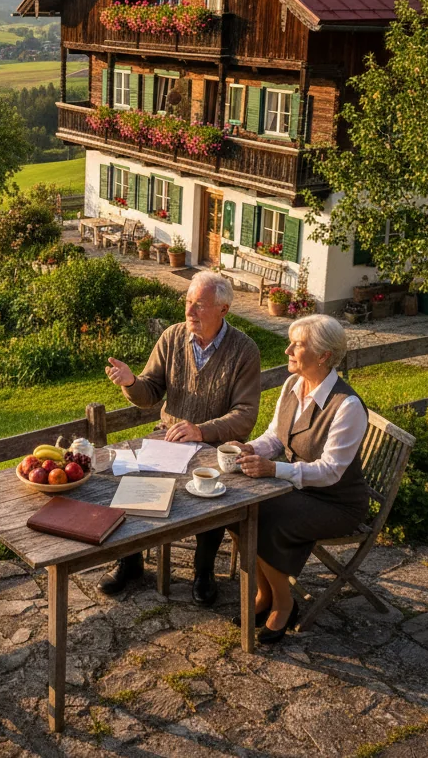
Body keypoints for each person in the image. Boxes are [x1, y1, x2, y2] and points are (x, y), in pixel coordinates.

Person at [102, 270, 261, 602]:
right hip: (168, 439)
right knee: (129, 478)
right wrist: (131, 383)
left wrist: (201, 431)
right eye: (188, 302)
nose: (189, 312)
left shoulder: (244, 350)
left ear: (224, 310)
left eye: (199, 305)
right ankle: (130, 562)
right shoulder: (173, 337)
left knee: (213, 490)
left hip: (213, 446)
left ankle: (203, 572)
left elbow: (245, 415)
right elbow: (150, 393)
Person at [227, 314, 369, 644]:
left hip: (337, 502)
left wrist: (275, 470)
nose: (288, 349)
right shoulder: (293, 385)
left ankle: (284, 603)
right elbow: (275, 436)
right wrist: (247, 447)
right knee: (236, 512)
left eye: (298, 344)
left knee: (266, 520)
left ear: (323, 356)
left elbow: (331, 471)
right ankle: (265, 594)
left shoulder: (347, 406)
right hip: (298, 488)